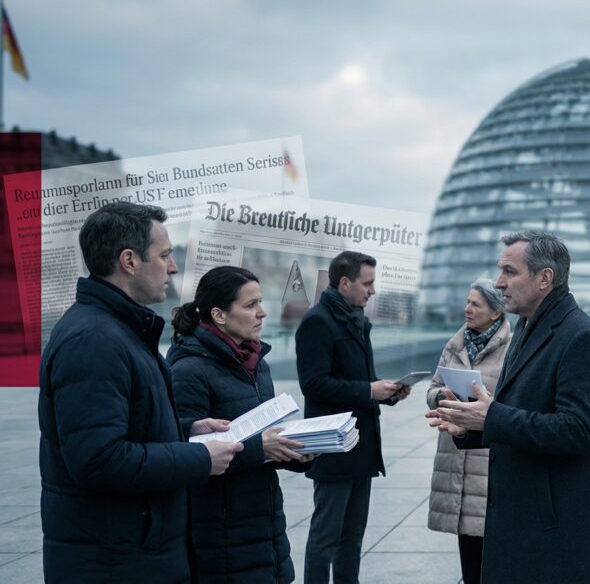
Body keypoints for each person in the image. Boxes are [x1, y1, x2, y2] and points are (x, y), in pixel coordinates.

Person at [38, 202, 242, 581]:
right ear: (129, 261)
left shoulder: (119, 330)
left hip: (132, 553)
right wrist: (198, 459)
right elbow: (98, 460)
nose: (173, 266)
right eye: (164, 255)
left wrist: (187, 432)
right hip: (116, 562)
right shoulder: (95, 340)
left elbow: (125, 428)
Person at [428, 230, 590, 583]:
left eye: (510, 272)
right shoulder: (528, 328)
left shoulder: (581, 338)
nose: (499, 283)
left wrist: (492, 417)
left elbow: (578, 431)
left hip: (556, 539)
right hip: (523, 528)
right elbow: (517, 414)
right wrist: (471, 425)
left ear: (545, 278)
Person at [169, 266, 314, 583]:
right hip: (218, 531)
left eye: (261, 302)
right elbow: (181, 451)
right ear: (219, 315)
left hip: (264, 521)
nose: (262, 313)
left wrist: (295, 450)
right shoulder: (189, 369)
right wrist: (258, 448)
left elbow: (259, 439)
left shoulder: (256, 363)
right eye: (251, 305)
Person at [297, 250, 411, 584]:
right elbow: (313, 384)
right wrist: (368, 391)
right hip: (333, 444)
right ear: (345, 283)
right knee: (326, 536)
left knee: (353, 538)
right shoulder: (317, 321)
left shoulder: (357, 319)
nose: (372, 290)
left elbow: (363, 379)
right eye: (368, 283)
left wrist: (387, 393)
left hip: (361, 445)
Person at [423, 278, 512, 584]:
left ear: (496, 313)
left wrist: (483, 406)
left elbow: (514, 402)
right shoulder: (456, 342)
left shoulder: (513, 348)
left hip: (487, 458)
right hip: (455, 453)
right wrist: (441, 397)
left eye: (476, 304)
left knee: (494, 547)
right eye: (467, 302)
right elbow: (433, 388)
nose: (467, 309)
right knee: (468, 546)